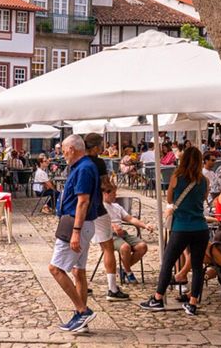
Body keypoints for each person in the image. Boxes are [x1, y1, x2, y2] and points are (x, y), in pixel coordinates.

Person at [140, 147, 209, 316]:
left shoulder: (177, 178)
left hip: (181, 227)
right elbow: (204, 198)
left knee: (168, 262)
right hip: (201, 227)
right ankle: (193, 303)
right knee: (198, 266)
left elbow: (170, 199)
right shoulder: (205, 180)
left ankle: (157, 298)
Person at [47, 134, 99, 333]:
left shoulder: (84, 168)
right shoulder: (81, 167)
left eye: (64, 150)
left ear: (74, 149)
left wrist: (76, 231)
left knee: (56, 269)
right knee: (78, 271)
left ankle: (82, 310)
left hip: (75, 224)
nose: (62, 153)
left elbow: (83, 201)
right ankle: (81, 319)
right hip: (79, 223)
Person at [83, 134, 129, 301]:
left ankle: (81, 284)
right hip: (97, 207)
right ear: (95, 147)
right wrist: (111, 185)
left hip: (81, 210)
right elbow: (104, 185)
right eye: (101, 145)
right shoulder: (99, 162)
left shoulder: (77, 160)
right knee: (108, 247)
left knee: (81, 247)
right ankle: (112, 288)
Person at [102, 182, 155, 283]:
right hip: (109, 236)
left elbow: (130, 219)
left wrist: (145, 225)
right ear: (106, 194)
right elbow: (100, 223)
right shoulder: (100, 207)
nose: (115, 196)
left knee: (142, 246)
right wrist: (113, 227)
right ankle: (129, 272)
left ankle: (122, 269)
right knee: (125, 247)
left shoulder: (116, 206)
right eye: (113, 193)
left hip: (122, 233)